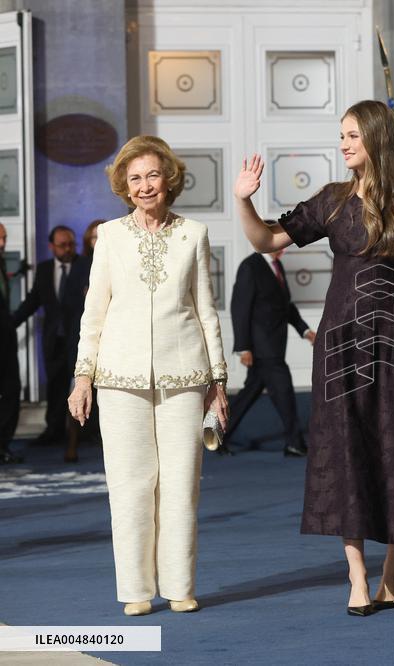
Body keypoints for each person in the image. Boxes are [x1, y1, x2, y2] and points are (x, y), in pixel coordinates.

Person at [234, 99, 394, 617]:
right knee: (346, 456)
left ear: (378, 140)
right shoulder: (333, 202)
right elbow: (267, 240)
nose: (343, 144)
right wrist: (244, 203)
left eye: (352, 136)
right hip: (340, 348)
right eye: (341, 135)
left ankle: (392, 570)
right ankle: (356, 578)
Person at [67, 135, 229, 616]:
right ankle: (136, 590)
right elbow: (93, 310)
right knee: (130, 486)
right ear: (123, 184)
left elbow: (206, 310)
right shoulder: (110, 236)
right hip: (119, 378)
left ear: (169, 178)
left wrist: (218, 381)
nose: (144, 185)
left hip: (185, 376)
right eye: (134, 177)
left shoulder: (193, 233)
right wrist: (82, 377)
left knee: (181, 485)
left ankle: (179, 585)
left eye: (152, 175)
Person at [226, 248, 315, 457]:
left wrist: (305, 330)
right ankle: (294, 443)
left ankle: (217, 436)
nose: (282, 245)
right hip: (262, 348)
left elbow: (286, 306)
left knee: (248, 394)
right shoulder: (250, 266)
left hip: (274, 345)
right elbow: (239, 309)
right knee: (284, 393)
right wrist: (243, 347)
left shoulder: (276, 266)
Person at [13, 225, 87, 447]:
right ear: (51, 246)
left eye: (71, 244)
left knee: (81, 385)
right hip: (54, 340)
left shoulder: (85, 266)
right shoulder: (44, 269)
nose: (68, 249)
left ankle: (84, 433)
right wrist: (9, 323)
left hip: (79, 339)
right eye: (62, 245)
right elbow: (33, 300)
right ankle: (53, 431)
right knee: (55, 386)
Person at [65, 218, 108, 462]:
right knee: (78, 390)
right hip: (84, 337)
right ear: (88, 242)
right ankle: (71, 445)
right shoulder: (81, 266)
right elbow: (69, 303)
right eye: (94, 237)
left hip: (112, 339)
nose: (99, 241)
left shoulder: (119, 261)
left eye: (102, 236)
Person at [0, 222, 24, 465]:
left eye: (5, 238)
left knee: (11, 391)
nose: (3, 243)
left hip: (6, 339)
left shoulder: (3, 262)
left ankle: (3, 444)